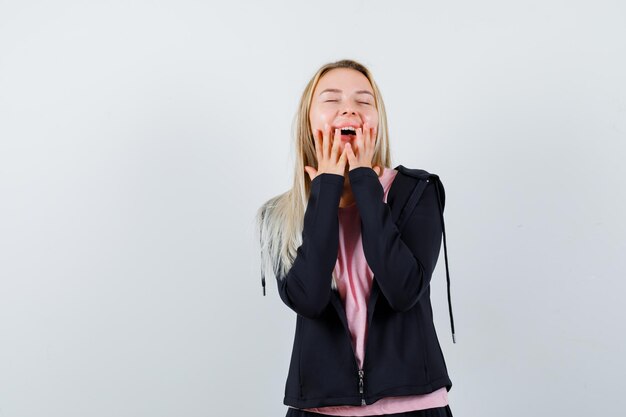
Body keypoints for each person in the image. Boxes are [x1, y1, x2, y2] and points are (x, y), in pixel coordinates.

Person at [256, 59, 456, 417]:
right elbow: (309, 299)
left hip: (415, 406)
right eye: (331, 100)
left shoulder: (417, 192)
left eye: (364, 101)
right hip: (319, 409)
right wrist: (326, 189)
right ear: (308, 121)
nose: (349, 107)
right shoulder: (278, 216)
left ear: (378, 122)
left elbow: (403, 289)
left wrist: (364, 180)